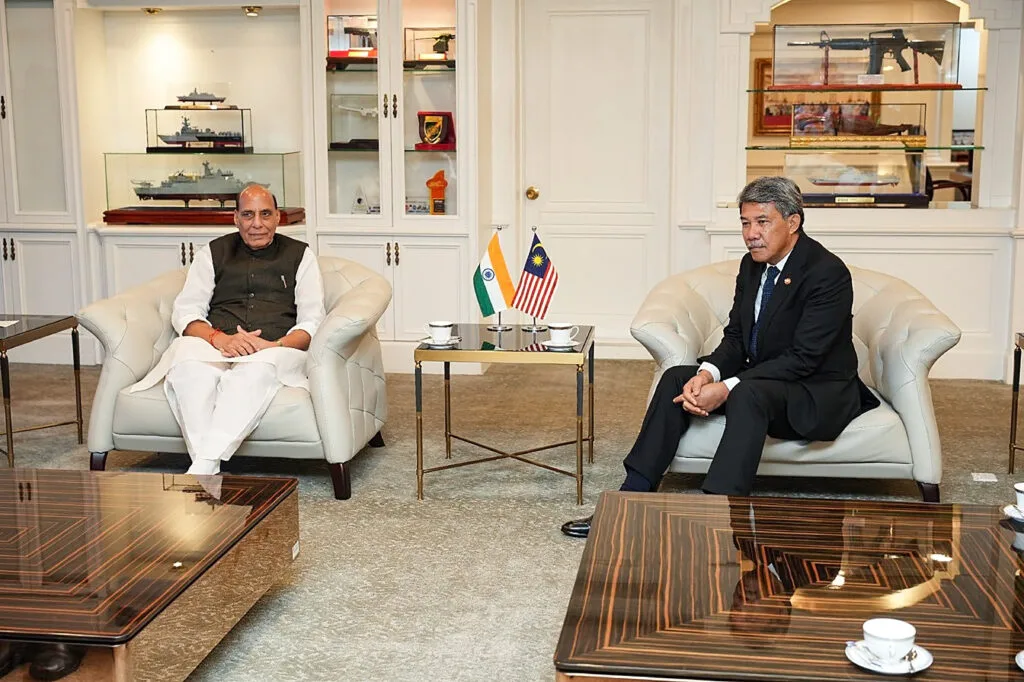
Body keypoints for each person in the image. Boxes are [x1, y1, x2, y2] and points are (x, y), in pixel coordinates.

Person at [561, 176, 878, 539]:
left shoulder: (827, 273)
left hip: (814, 392)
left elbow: (804, 359)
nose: (751, 234)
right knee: (677, 378)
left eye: (762, 222)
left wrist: (726, 387)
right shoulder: (751, 265)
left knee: (747, 393)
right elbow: (738, 337)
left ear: (793, 222)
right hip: (765, 378)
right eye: (745, 223)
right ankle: (633, 496)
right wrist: (708, 374)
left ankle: (716, 514)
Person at [128, 184, 326, 475]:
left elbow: (312, 321)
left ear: (277, 218)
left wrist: (274, 346)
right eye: (248, 215)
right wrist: (218, 338)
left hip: (274, 348)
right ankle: (207, 465)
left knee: (253, 374)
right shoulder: (212, 252)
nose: (257, 223)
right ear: (235, 218)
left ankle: (202, 467)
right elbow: (187, 311)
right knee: (188, 367)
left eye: (265, 214)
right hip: (215, 341)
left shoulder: (301, 255)